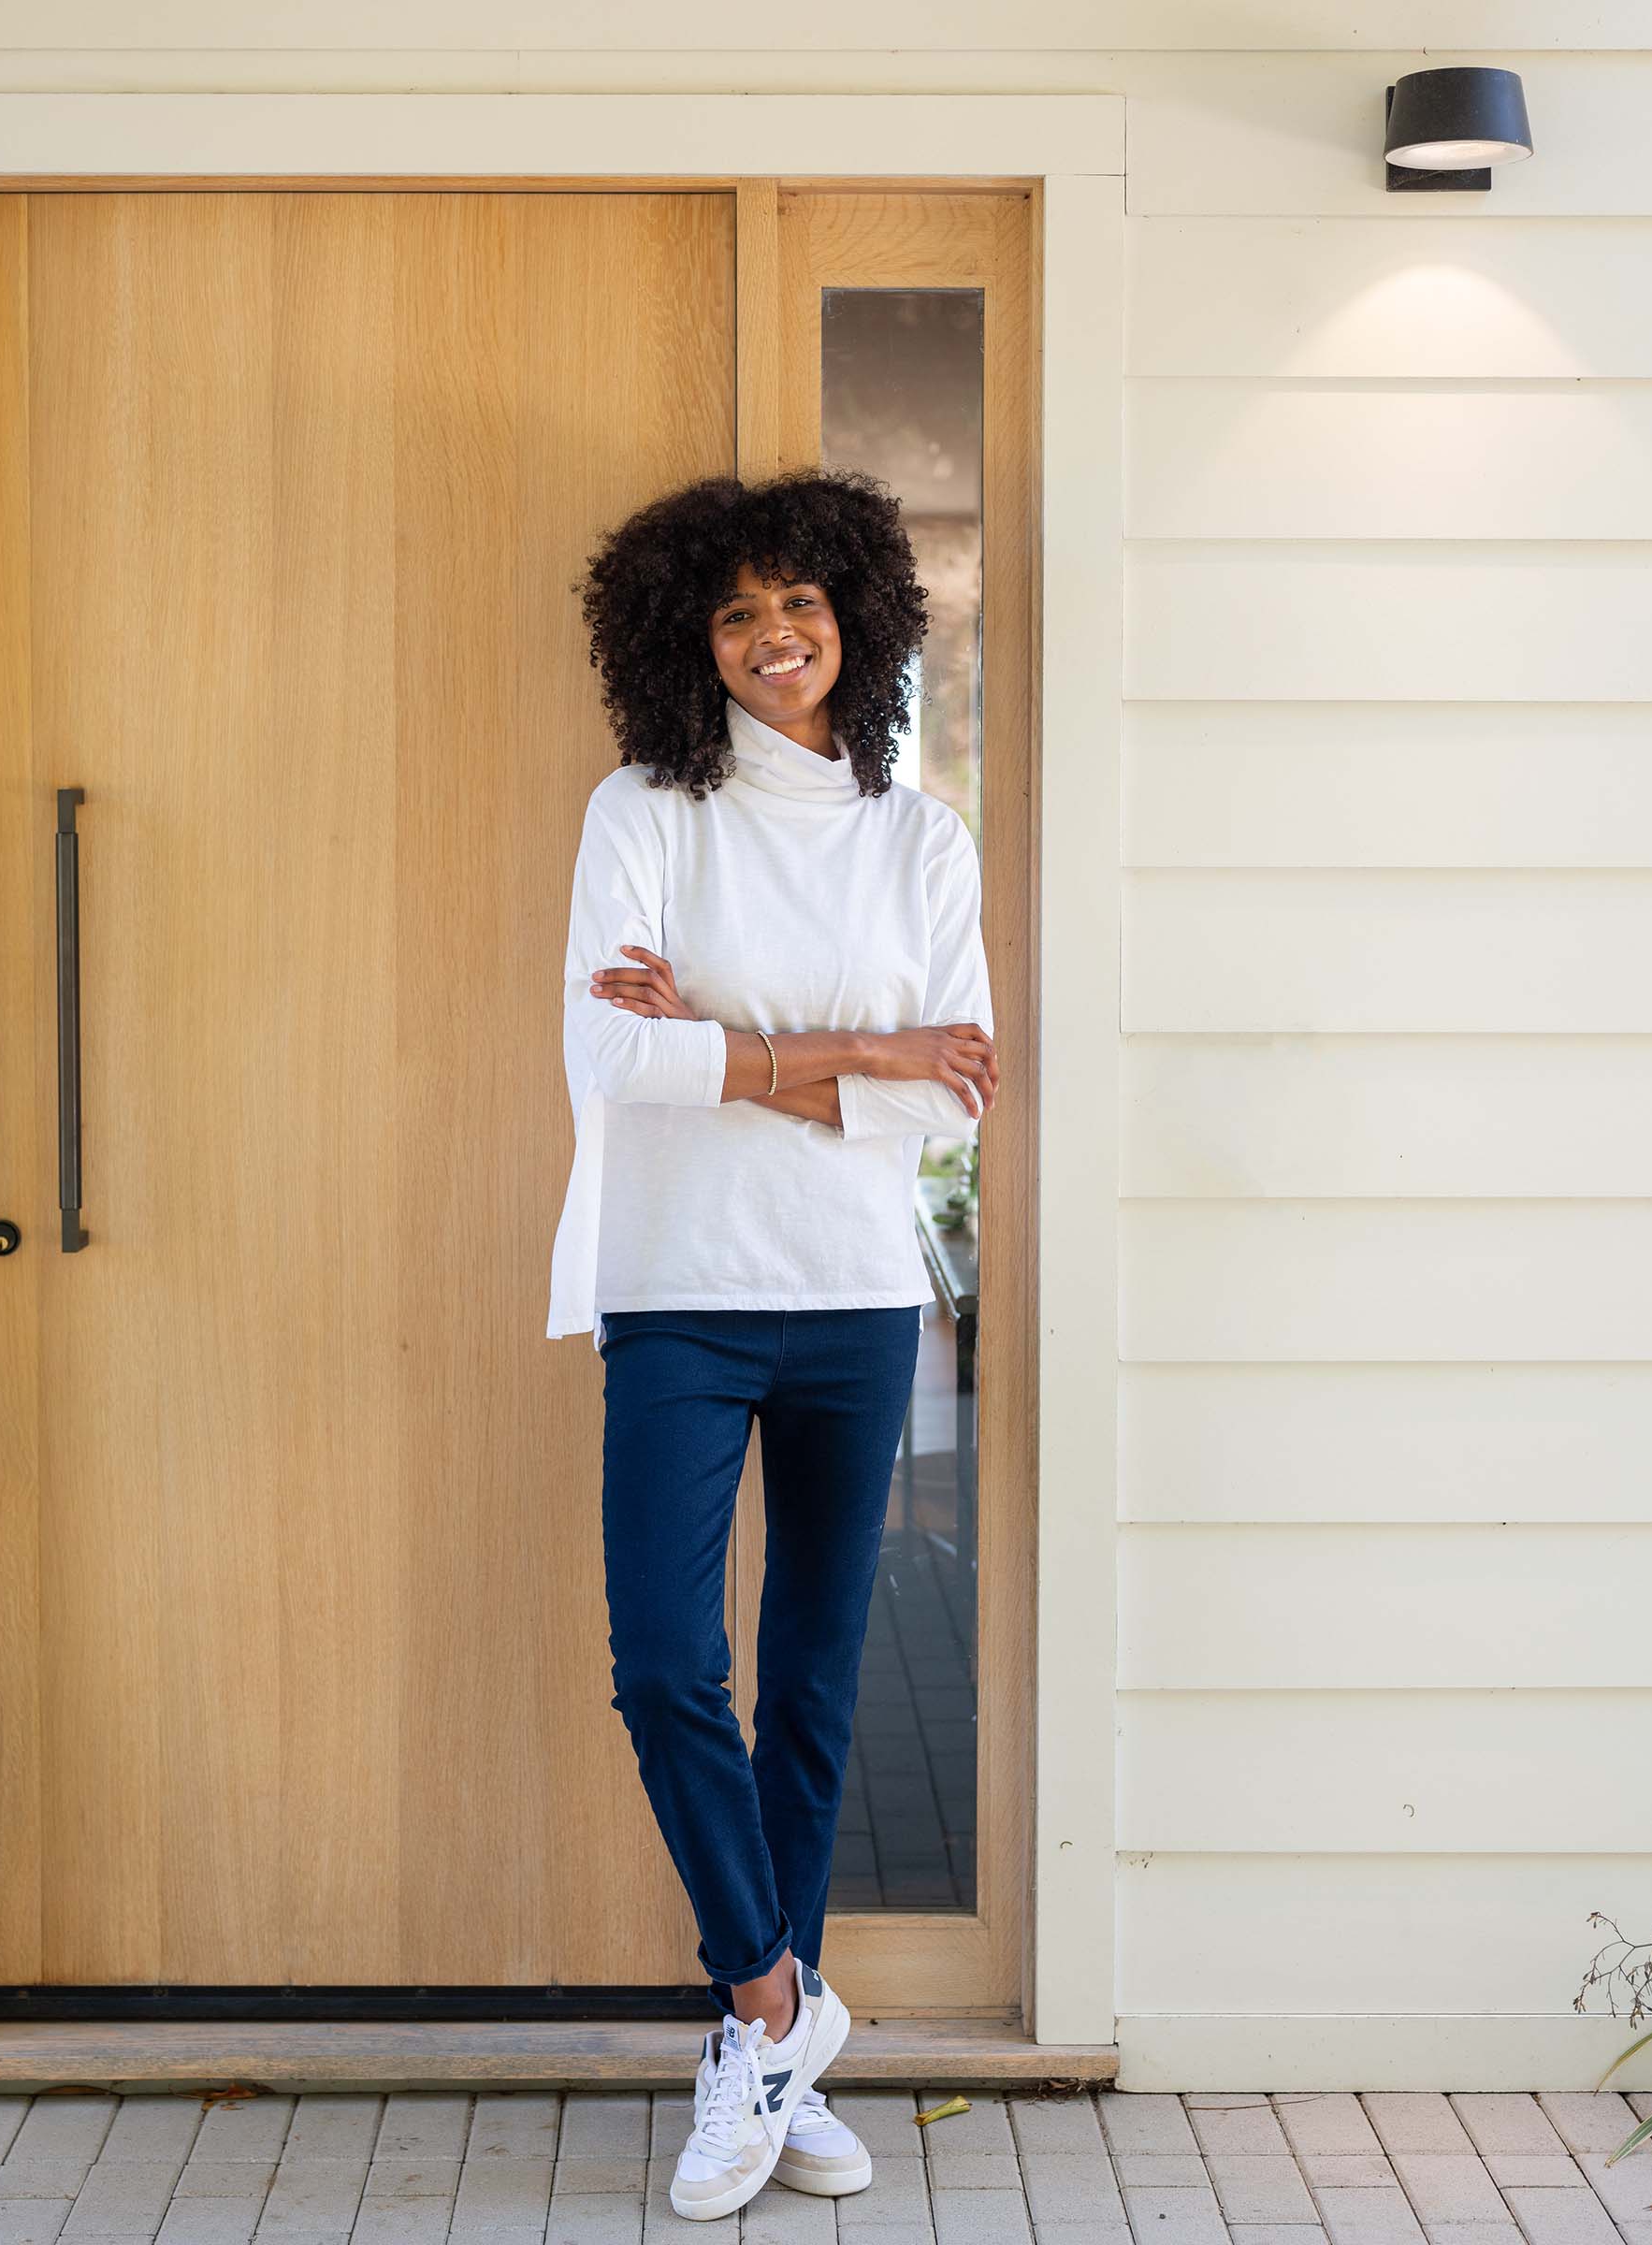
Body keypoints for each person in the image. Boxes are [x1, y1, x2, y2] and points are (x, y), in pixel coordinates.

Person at [545, 466, 999, 2223]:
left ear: (858, 618)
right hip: (676, 1285)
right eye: (734, 612)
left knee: (813, 1689)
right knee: (667, 1662)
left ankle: (758, 2055)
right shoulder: (643, 811)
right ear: (689, 637)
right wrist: (853, 1057)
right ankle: (773, 2005)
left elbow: (949, 1101)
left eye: (799, 602)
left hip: (854, 1299)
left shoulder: (920, 837)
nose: (772, 635)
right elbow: (614, 1066)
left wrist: (743, 1047)